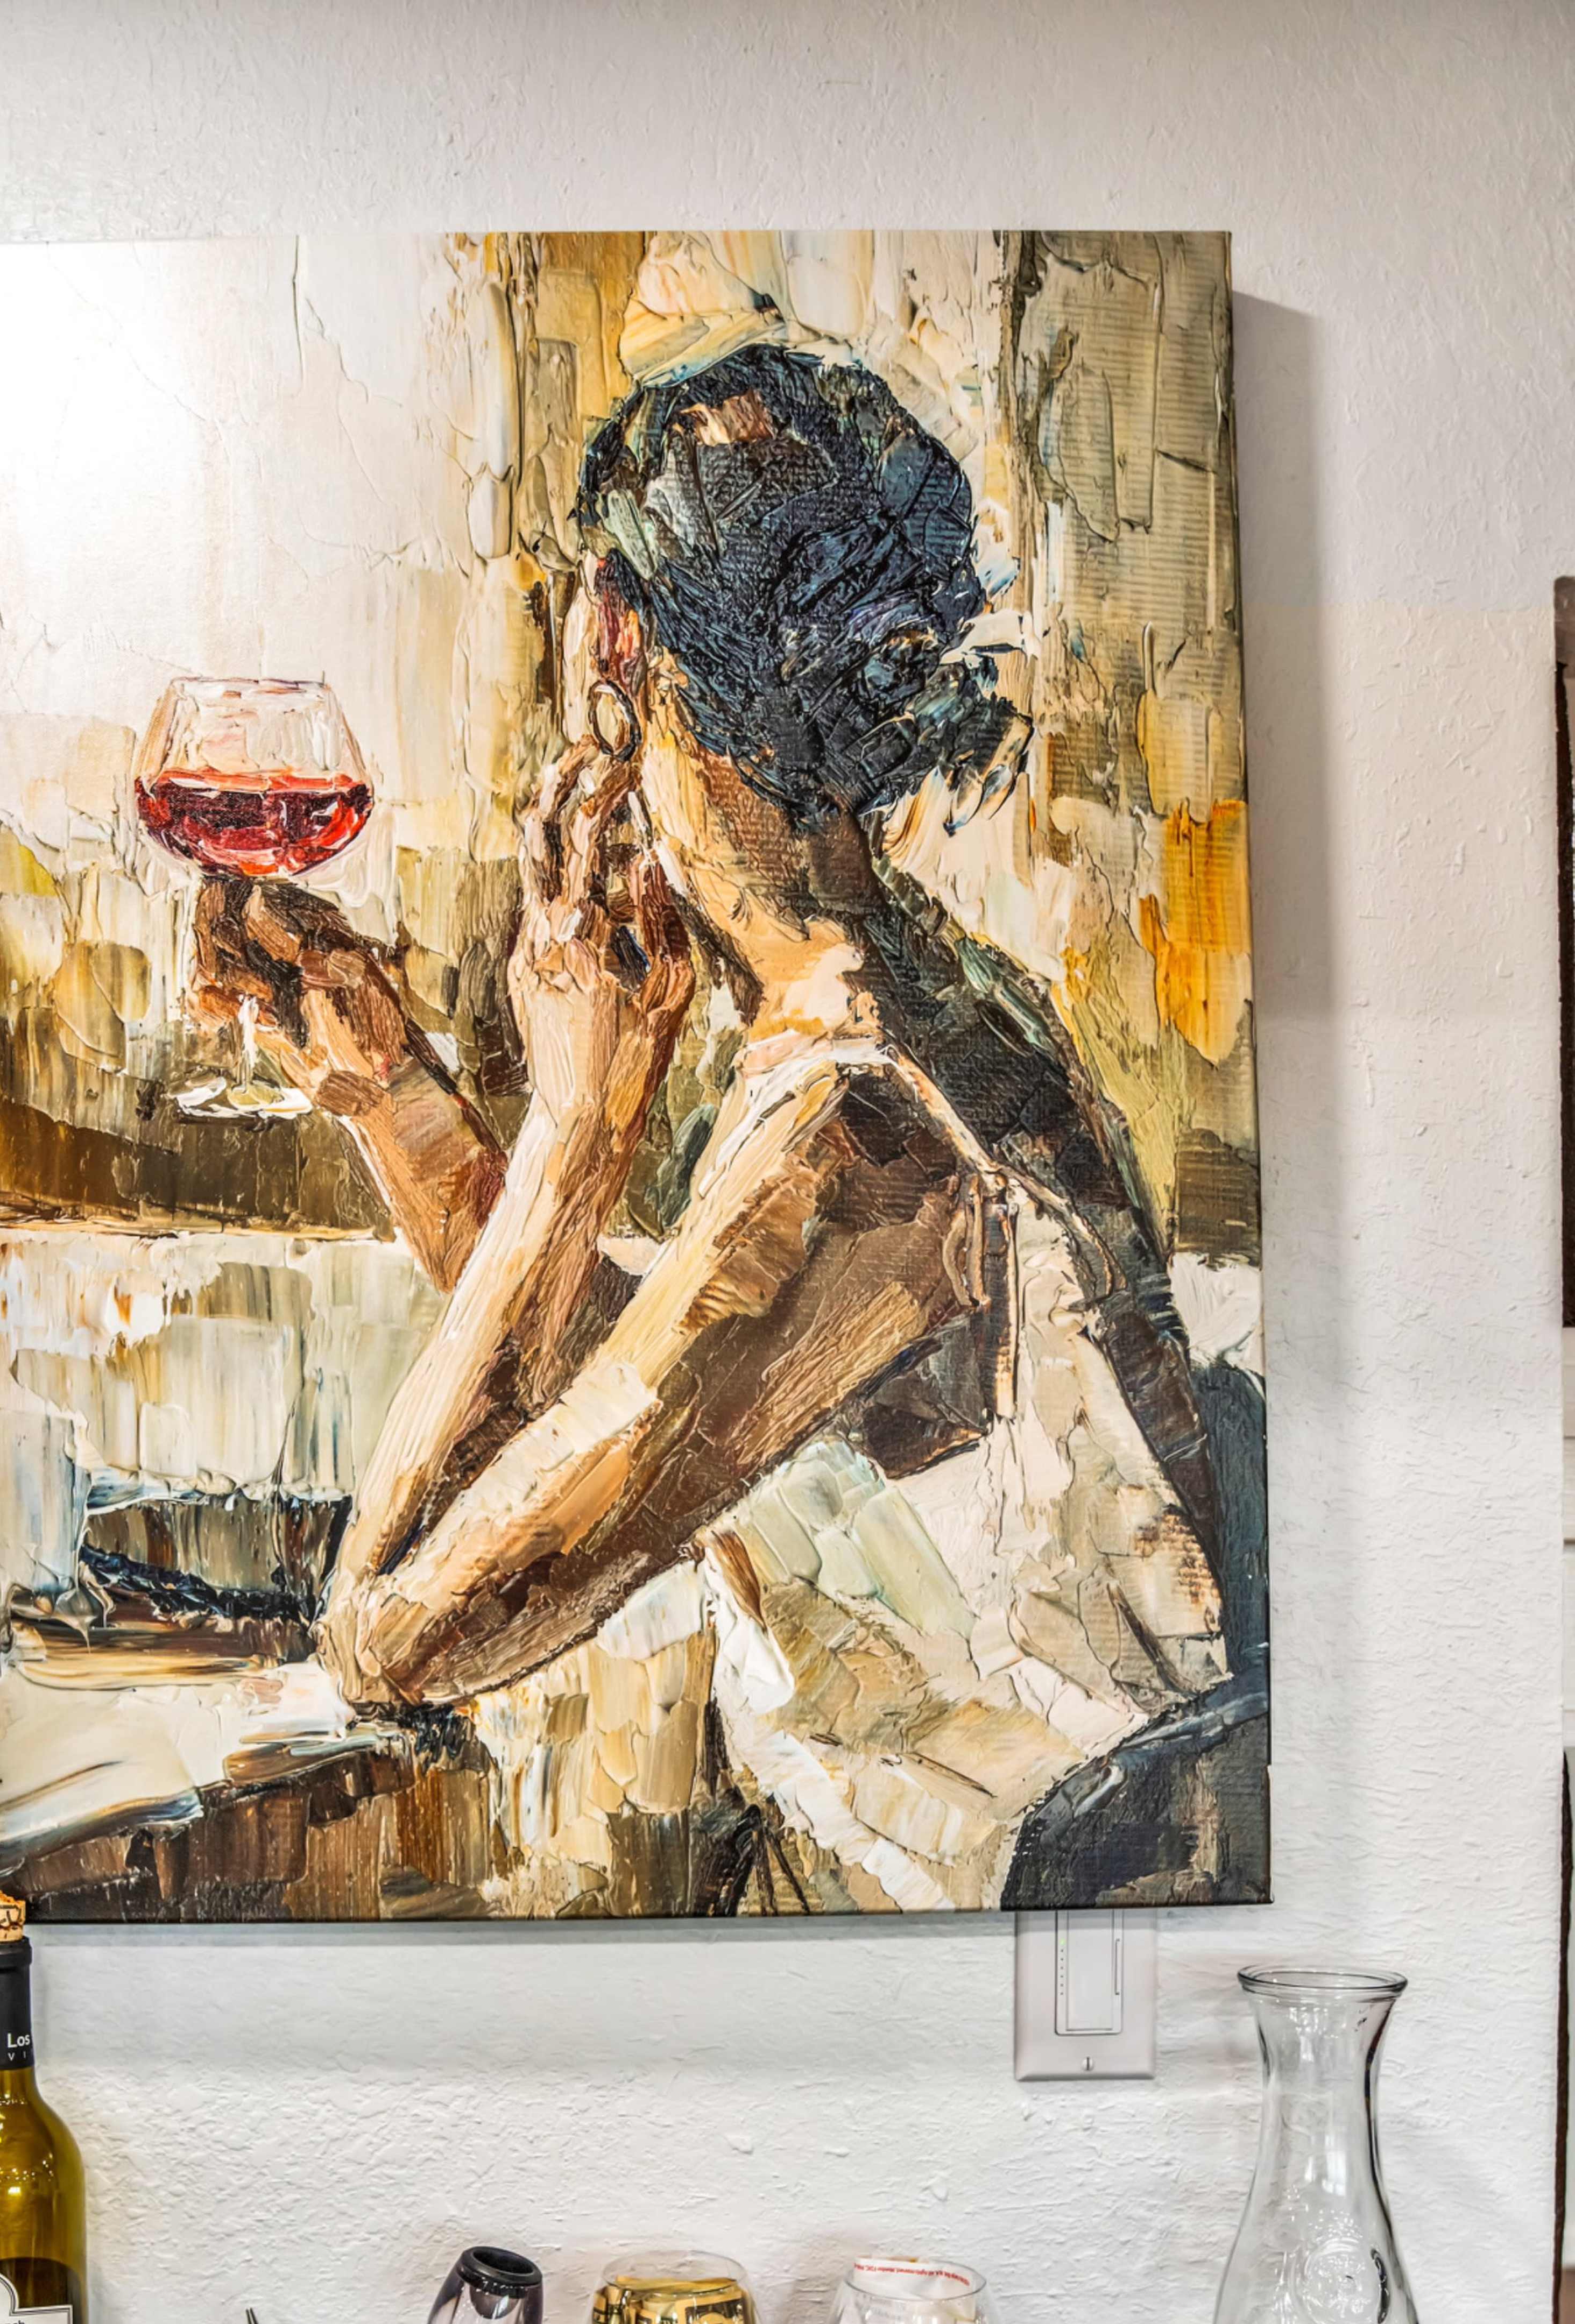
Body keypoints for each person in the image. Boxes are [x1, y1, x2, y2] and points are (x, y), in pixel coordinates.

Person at [189, 341, 1262, 1911]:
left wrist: (574, 1127)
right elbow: (650, 1387)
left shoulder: (857, 1130)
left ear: (611, 637)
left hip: (1001, 1959)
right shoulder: (948, 1006)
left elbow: (389, 1635)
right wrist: (392, 1095)